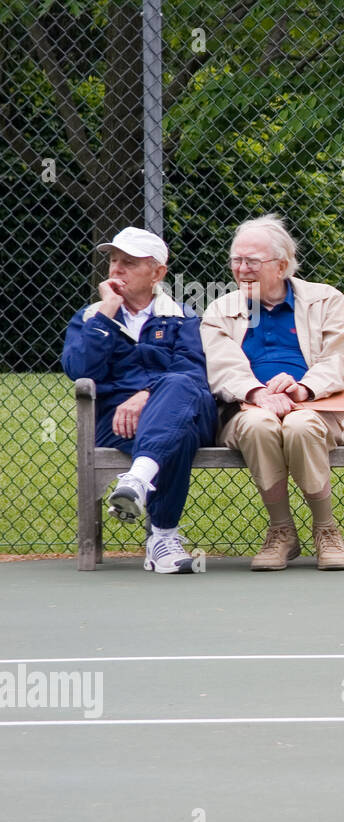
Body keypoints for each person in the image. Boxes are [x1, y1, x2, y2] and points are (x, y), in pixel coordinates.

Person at [201, 215, 344, 571]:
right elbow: (222, 366)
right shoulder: (220, 310)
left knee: (301, 426)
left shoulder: (325, 299)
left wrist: (302, 388)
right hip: (247, 409)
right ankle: (282, 531)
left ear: (282, 265)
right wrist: (258, 393)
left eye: (252, 262)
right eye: (236, 260)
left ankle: (325, 529)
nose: (242, 270)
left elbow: (338, 359)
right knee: (259, 425)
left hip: (318, 407)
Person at [61, 227, 217, 573]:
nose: (116, 270)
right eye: (114, 261)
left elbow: (194, 374)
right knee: (181, 436)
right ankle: (161, 539)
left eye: (129, 263)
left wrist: (146, 396)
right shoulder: (91, 318)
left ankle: (136, 481)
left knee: (180, 383)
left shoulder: (182, 317)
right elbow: (79, 370)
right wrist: (107, 313)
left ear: (158, 273)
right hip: (118, 424)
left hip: (180, 407)